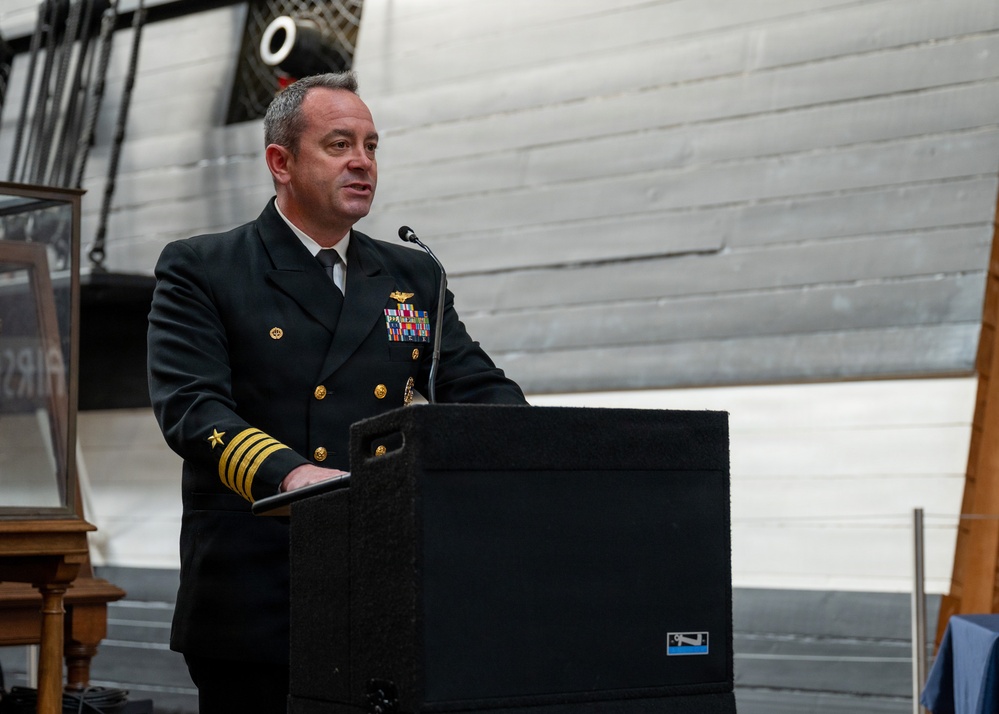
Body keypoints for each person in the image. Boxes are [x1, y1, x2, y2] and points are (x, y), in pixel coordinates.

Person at [147, 71, 526, 713]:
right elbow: (191, 407)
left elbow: (476, 386)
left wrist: (544, 448)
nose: (363, 162)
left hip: (381, 577)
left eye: (372, 146)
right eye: (339, 143)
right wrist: (291, 476)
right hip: (259, 582)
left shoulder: (412, 272)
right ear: (281, 162)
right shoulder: (204, 267)